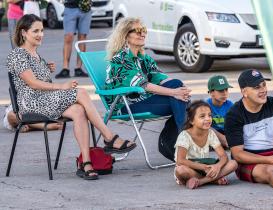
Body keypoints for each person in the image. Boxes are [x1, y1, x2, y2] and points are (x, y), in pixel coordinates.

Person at [6, 14, 136, 180]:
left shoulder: (37, 56)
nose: (41, 34)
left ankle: (86, 163)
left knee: (79, 110)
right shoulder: (17, 54)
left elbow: (40, 80)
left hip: (45, 101)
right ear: (24, 33)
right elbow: (32, 84)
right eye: (35, 31)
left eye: (42, 30)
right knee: (81, 92)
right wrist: (61, 86)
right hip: (30, 103)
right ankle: (109, 137)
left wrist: (46, 68)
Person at [105, 17, 191, 131]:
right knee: (181, 101)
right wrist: (174, 92)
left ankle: (183, 139)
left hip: (145, 100)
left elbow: (160, 78)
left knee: (178, 88)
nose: (142, 34)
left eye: (143, 30)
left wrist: (181, 90)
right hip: (126, 107)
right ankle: (186, 139)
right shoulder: (121, 59)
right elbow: (143, 85)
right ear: (125, 35)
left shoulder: (144, 59)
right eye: (137, 31)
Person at [174, 100, 237, 189]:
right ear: (192, 121)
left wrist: (217, 166)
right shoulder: (184, 135)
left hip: (207, 167)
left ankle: (201, 182)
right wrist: (203, 167)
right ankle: (214, 179)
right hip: (191, 167)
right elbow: (180, 160)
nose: (207, 118)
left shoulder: (210, 133)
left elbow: (223, 156)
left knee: (233, 163)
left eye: (209, 115)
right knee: (181, 170)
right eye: (202, 116)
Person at [54, 0, 90, 78]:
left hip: (85, 8)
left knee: (82, 38)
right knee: (68, 37)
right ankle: (65, 69)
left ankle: (78, 68)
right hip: (70, 7)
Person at [205, 75, 233, 148]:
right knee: (205, 127)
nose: (225, 93)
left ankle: (223, 142)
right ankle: (224, 141)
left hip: (226, 132)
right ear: (211, 93)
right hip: (211, 133)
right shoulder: (205, 106)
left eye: (226, 89)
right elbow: (203, 126)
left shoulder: (230, 105)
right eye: (221, 90)